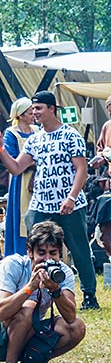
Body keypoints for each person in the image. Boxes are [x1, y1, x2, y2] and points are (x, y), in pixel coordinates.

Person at [0, 91, 99, 310]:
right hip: (41, 204)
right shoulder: (35, 139)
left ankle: (89, 294)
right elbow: (16, 168)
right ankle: (34, 287)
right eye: (33, 109)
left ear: (51, 108)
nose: (34, 113)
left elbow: (81, 169)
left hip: (69, 202)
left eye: (38, 108)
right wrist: (1, 150)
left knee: (78, 247)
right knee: (35, 245)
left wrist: (71, 197)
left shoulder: (70, 135)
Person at [0, 222, 86, 363]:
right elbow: (1, 312)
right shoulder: (14, 265)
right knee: (29, 307)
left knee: (76, 327)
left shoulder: (63, 272)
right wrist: (29, 288)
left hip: (27, 332)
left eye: (53, 253)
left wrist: (55, 291)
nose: (47, 259)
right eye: (41, 253)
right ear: (30, 252)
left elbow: (70, 316)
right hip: (3, 333)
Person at [3, 97, 37, 256]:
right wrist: (32, 162)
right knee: (21, 218)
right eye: (30, 113)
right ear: (21, 115)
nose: (33, 115)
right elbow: (13, 160)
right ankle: (20, 254)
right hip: (21, 182)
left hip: (38, 178)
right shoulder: (12, 133)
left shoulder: (37, 130)